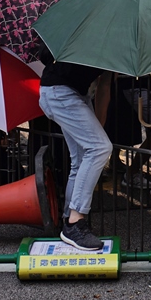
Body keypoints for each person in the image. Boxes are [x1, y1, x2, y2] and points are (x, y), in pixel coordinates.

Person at [38, 46, 112, 251]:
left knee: (81, 159)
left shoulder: (112, 43)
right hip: (59, 92)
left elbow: (105, 87)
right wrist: (98, 138)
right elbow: (45, 55)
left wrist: (98, 127)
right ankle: (74, 222)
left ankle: (68, 219)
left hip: (73, 94)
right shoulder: (92, 32)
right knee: (99, 148)